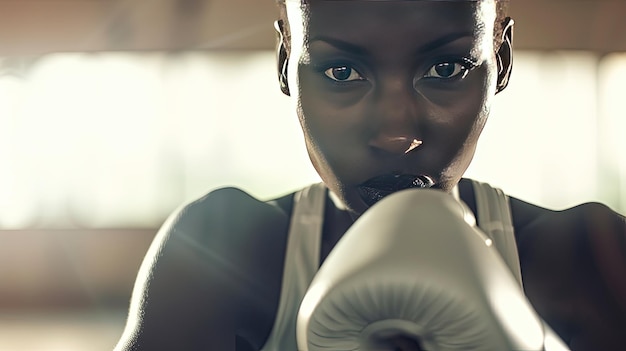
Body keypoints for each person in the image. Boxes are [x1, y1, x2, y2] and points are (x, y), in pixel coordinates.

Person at [114, 0, 626, 350]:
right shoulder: (220, 252)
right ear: (285, 63)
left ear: (502, 61)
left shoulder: (588, 258)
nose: (396, 133)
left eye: (446, 69)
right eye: (341, 72)